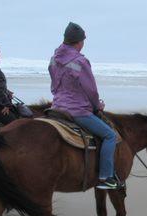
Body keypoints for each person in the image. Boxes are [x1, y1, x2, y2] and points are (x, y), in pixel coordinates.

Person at [48, 22, 120, 190]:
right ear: (79, 42)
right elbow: (91, 90)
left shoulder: (54, 59)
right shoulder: (80, 61)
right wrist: (97, 106)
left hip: (56, 107)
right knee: (110, 135)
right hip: (77, 110)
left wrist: (59, 98)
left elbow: (54, 84)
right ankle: (105, 178)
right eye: (83, 41)